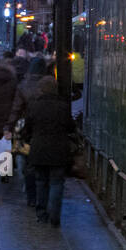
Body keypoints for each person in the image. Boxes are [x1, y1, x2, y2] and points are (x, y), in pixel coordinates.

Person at [20, 77, 75, 225]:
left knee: (41, 181)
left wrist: (26, 138)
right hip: (59, 150)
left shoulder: (34, 106)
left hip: (39, 149)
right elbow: (71, 127)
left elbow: (27, 128)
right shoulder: (63, 106)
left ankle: (41, 213)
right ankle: (55, 215)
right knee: (57, 183)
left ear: (41, 89)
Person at [7, 56, 49, 204]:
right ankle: (42, 193)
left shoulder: (23, 86)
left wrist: (9, 127)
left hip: (26, 128)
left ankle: (31, 196)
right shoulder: (49, 85)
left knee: (27, 161)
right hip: (45, 127)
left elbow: (15, 109)